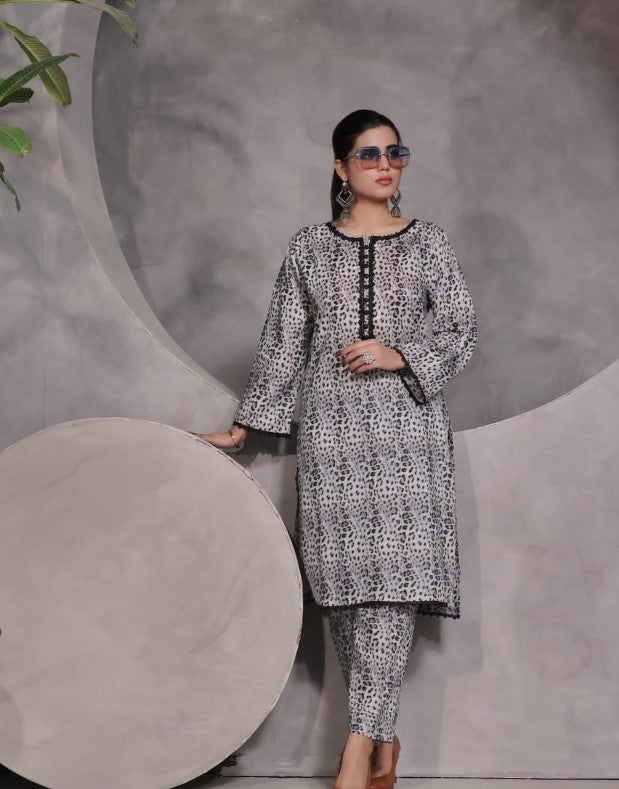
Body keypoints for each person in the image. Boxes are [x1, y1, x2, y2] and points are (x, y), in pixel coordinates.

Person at [191, 109, 478, 789]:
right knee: (346, 590)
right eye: (369, 154)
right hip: (331, 434)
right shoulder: (308, 248)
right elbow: (283, 341)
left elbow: (461, 327)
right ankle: (383, 741)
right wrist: (245, 427)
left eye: (395, 152)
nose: (385, 164)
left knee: (392, 586)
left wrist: (399, 352)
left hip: (406, 433)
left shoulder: (428, 242)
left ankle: (354, 753)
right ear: (341, 166)